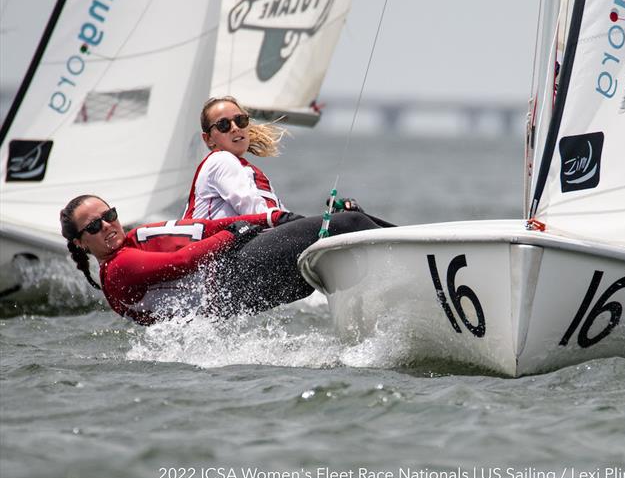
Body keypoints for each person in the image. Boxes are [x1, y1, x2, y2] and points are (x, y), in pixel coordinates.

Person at [60, 195, 385, 325]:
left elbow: (204, 229)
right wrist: (235, 234)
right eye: (93, 226)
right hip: (234, 279)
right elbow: (186, 260)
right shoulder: (118, 269)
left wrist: (271, 218)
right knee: (349, 225)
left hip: (239, 288)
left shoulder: (135, 239)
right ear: (81, 243)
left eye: (109, 215)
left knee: (342, 233)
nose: (106, 226)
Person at [183, 95, 289, 224]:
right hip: (216, 241)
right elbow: (251, 207)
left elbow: (277, 213)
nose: (235, 128)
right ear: (209, 139)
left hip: (261, 236)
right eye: (223, 125)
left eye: (240, 120)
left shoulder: (250, 172)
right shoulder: (220, 160)